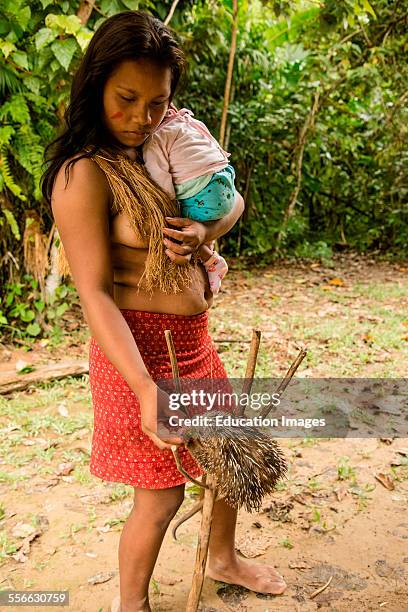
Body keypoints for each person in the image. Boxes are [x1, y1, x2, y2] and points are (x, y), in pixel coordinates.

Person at [42, 10, 287, 612]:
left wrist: (205, 227)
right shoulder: (83, 174)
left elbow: (232, 200)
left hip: (193, 339)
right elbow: (95, 294)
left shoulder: (169, 145)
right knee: (160, 496)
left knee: (229, 456)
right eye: (126, 98)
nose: (140, 117)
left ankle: (224, 558)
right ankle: (134, 604)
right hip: (137, 354)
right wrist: (146, 386)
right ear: (95, 83)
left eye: (157, 102)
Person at [142, 102, 234, 294]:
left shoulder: (156, 139)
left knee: (176, 228)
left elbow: (161, 187)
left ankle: (210, 260)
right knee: (197, 214)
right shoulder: (187, 121)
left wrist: (167, 207)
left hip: (204, 197)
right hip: (226, 185)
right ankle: (211, 255)